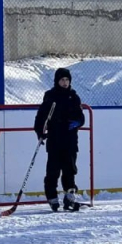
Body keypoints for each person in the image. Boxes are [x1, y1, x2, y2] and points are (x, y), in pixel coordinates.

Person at [35, 67, 86, 212]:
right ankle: (52, 197)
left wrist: (78, 122)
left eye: (67, 80)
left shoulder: (73, 97)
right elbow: (41, 116)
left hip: (70, 141)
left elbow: (81, 117)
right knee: (53, 171)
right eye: (62, 80)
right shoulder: (50, 96)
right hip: (55, 140)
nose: (65, 82)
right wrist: (40, 131)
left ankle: (70, 197)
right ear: (57, 81)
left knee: (70, 170)